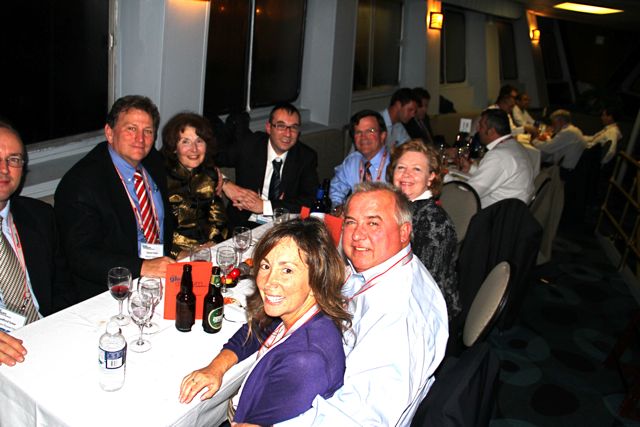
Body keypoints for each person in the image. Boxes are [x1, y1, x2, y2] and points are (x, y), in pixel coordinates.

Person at [180, 182, 449, 426]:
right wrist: (219, 365)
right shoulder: (370, 269)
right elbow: (279, 314)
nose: (357, 235)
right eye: (351, 222)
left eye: (373, 223)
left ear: (404, 232)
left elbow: (360, 419)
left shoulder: (401, 317)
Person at [179, 218, 350, 425]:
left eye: (287, 270)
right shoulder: (307, 312)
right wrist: (216, 367)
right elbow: (257, 328)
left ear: (317, 279)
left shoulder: (305, 362)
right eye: (266, 266)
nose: (269, 282)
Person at [55, 95, 175, 302]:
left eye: (148, 131)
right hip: (110, 291)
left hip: (160, 278)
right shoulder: (80, 184)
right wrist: (143, 267)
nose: (140, 139)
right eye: (131, 129)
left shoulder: (153, 161)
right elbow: (79, 256)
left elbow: (187, 167)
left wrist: (223, 181)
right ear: (109, 133)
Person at [0, 122, 72, 366]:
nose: (4, 169)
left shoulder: (39, 216)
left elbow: (63, 286)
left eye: (13, 160)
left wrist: (58, 330)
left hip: (47, 338)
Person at [388, 140, 461, 321]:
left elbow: (424, 288)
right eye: (401, 167)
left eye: (417, 169)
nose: (406, 174)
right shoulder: (398, 209)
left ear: (431, 177)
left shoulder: (436, 224)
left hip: (428, 317)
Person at [216, 102, 318, 229]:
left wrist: (265, 206)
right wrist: (225, 183)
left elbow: (310, 201)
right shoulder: (248, 145)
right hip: (243, 222)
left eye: (293, 127)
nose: (288, 134)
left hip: (283, 226)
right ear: (269, 128)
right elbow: (206, 159)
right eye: (281, 126)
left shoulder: (305, 157)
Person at [160, 112, 228, 258]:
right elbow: (154, 228)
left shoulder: (210, 175)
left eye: (199, 141)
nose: (194, 149)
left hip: (207, 248)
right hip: (172, 253)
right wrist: (178, 253)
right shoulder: (160, 179)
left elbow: (218, 218)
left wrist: (214, 242)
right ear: (174, 147)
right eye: (186, 142)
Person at [460, 109, 535, 208]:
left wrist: (445, 178)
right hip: (515, 210)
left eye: (481, 126)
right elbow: (499, 175)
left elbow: (469, 194)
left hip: (494, 214)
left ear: (491, 131)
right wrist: (471, 169)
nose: (477, 129)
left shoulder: (499, 155)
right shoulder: (515, 146)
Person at [329, 110, 389, 211]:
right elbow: (335, 190)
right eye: (358, 132)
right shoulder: (352, 162)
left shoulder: (395, 164)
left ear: (383, 135)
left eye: (370, 131)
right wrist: (338, 208)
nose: (363, 137)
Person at [532, 109, 585, 173]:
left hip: (564, 171)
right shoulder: (573, 129)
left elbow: (548, 148)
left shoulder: (568, 132)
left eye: (554, 123)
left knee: (534, 160)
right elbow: (554, 146)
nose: (553, 126)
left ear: (561, 121)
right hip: (568, 167)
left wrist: (534, 140)